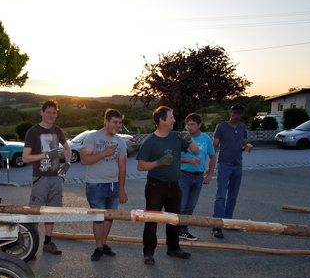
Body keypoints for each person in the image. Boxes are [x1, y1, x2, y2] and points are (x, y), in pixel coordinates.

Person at [136, 106, 199, 265]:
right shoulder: (150, 141)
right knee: (151, 220)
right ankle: (148, 253)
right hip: (155, 186)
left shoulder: (176, 137)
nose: (173, 120)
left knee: (174, 219)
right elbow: (140, 166)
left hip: (174, 185)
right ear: (161, 121)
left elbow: (196, 152)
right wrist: (158, 162)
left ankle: (173, 248)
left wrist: (189, 139)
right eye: (170, 117)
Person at [22, 100, 72, 255]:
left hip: (56, 178)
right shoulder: (33, 132)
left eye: (54, 112)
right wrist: (46, 155)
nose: (51, 115)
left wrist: (67, 165)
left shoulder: (57, 130)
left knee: (52, 211)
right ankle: (31, 247)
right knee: (35, 212)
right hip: (41, 178)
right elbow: (25, 158)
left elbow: (68, 148)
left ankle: (48, 243)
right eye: (48, 112)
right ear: (42, 113)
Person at [81, 108, 128, 261]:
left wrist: (122, 190)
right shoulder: (92, 137)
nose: (118, 125)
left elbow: (122, 167)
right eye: (115, 122)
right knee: (98, 217)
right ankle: (98, 247)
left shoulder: (121, 142)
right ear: (106, 121)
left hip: (114, 185)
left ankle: (104, 244)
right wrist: (104, 153)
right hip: (96, 184)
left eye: (120, 123)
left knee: (109, 217)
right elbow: (84, 160)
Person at [211, 103, 253, 239]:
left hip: (238, 165)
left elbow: (243, 145)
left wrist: (247, 147)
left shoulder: (242, 127)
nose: (237, 115)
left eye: (239, 113)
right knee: (221, 196)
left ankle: (228, 222)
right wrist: (211, 165)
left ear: (242, 114)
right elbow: (214, 146)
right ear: (231, 112)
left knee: (233, 196)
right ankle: (217, 225)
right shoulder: (221, 127)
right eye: (235, 113)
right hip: (224, 164)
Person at [178, 113, 216, 241]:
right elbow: (173, 158)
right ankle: (174, 231)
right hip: (183, 176)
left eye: (193, 124)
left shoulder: (205, 138)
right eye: (188, 124)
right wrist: (188, 161)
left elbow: (213, 156)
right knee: (181, 206)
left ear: (199, 125)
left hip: (198, 178)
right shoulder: (182, 137)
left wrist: (210, 174)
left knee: (190, 207)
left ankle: (183, 231)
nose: (189, 127)